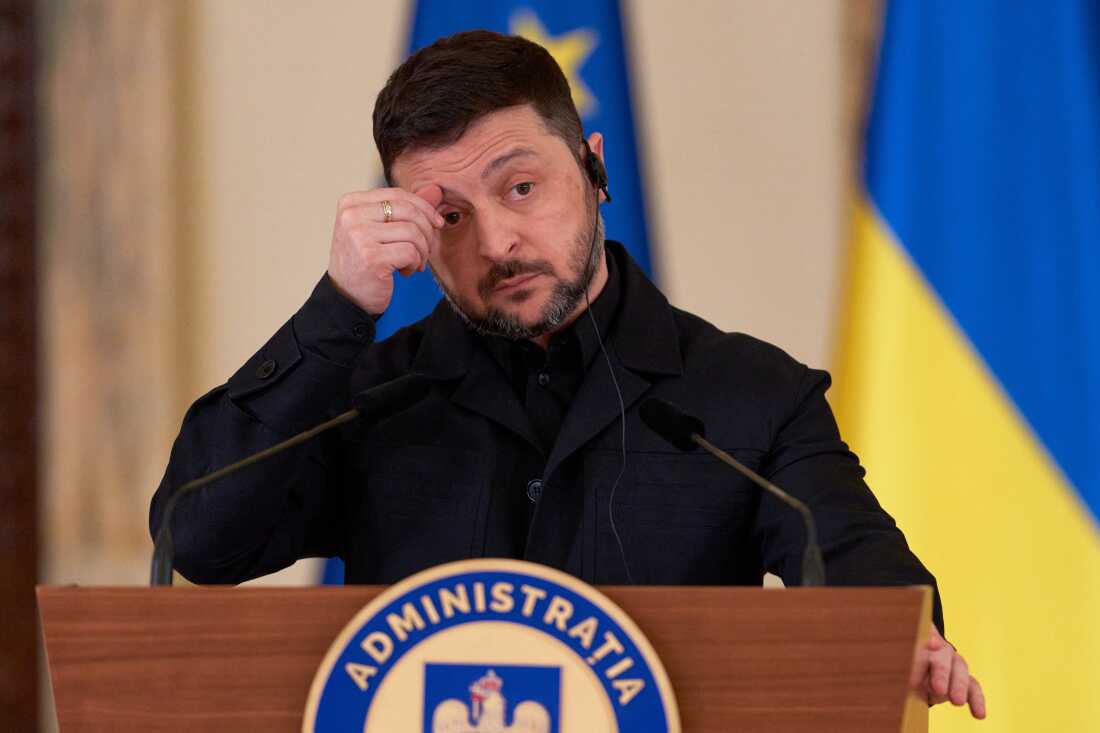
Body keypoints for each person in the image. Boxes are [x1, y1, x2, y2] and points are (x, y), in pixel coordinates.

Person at [150, 30, 985, 718]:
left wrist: (897, 630)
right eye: (449, 216)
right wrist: (336, 310)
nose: (498, 241)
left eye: (521, 187)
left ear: (592, 166)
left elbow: (854, 557)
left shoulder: (747, 394)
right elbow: (201, 537)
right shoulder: (371, 395)